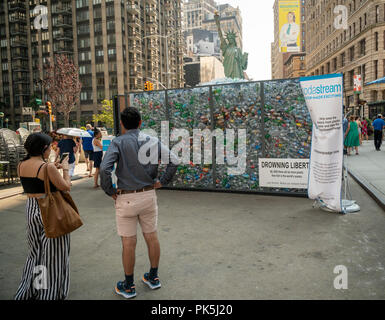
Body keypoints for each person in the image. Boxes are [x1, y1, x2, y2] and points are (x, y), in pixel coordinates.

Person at [100, 107, 178, 299]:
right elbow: (174, 160)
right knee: (151, 236)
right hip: (148, 195)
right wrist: (162, 182)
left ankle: (128, 286)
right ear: (141, 122)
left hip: (126, 197)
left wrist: (110, 190)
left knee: (128, 242)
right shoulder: (151, 140)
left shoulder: (118, 142)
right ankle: (153, 277)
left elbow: (104, 169)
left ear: (122, 124)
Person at [15, 133, 72, 300]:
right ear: (43, 149)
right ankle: (49, 294)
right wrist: (66, 170)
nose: (51, 149)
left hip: (31, 208)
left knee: (35, 253)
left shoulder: (21, 164)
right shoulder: (47, 168)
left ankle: (33, 289)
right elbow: (66, 187)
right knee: (54, 255)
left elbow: (36, 180)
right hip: (48, 211)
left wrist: (52, 167)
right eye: (50, 147)